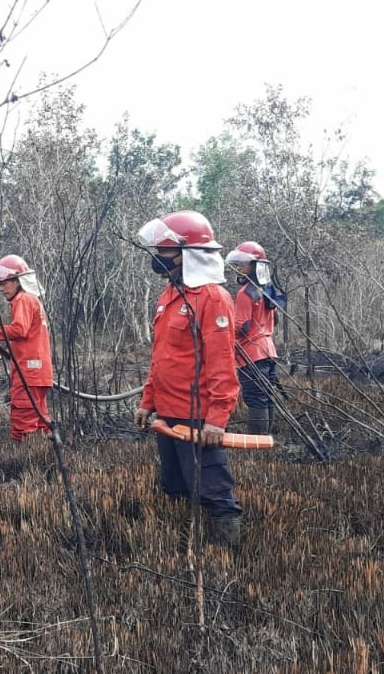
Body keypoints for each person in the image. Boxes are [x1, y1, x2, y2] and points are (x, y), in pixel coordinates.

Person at [133, 210, 243, 549]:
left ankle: (226, 556)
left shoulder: (212, 298)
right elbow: (162, 357)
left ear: (189, 255)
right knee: (175, 486)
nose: (159, 259)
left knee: (213, 490)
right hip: (167, 412)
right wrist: (147, 402)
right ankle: (187, 550)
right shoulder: (169, 295)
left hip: (197, 416)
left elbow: (222, 365)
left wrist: (217, 420)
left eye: (165, 252)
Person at [0, 255, 54, 442]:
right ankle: (44, 459)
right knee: (40, 420)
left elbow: (19, 329)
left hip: (29, 373)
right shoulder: (32, 299)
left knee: (23, 422)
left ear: (18, 280)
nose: (1, 288)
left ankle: (25, 464)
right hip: (38, 373)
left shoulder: (23, 299)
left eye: (5, 283)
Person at [225, 240, 279, 435]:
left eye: (243, 264)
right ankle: (267, 437)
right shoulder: (268, 290)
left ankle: (258, 440)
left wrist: (224, 330)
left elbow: (242, 326)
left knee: (255, 397)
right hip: (269, 351)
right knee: (266, 396)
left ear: (255, 266)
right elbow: (275, 321)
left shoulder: (245, 293)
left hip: (251, 353)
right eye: (238, 263)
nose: (239, 268)